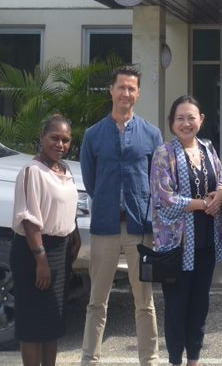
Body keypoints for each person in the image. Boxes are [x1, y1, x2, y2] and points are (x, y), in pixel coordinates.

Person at [80, 65, 164, 366]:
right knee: (97, 301)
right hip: (105, 227)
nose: (126, 93)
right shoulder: (93, 135)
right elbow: (90, 181)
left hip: (140, 227)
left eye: (131, 88)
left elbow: (158, 180)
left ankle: (149, 359)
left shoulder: (151, 134)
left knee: (144, 301)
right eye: (121, 87)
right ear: (111, 91)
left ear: (138, 94)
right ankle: (89, 358)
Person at [150, 96, 222, 366]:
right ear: (172, 123)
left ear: (201, 120)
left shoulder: (208, 148)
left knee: (199, 306)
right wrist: (201, 204)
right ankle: (175, 360)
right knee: (176, 308)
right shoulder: (164, 153)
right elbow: (164, 198)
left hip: (206, 242)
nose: (186, 123)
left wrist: (220, 193)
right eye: (180, 118)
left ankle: (194, 360)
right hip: (177, 246)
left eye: (191, 117)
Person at [11, 114, 80, 366]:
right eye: (54, 138)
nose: (60, 144)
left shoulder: (65, 169)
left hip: (60, 251)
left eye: (65, 140)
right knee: (32, 324)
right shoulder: (33, 171)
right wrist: (40, 259)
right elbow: (29, 219)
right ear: (42, 137)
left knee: (52, 321)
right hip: (35, 251)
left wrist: (75, 236)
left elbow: (67, 207)